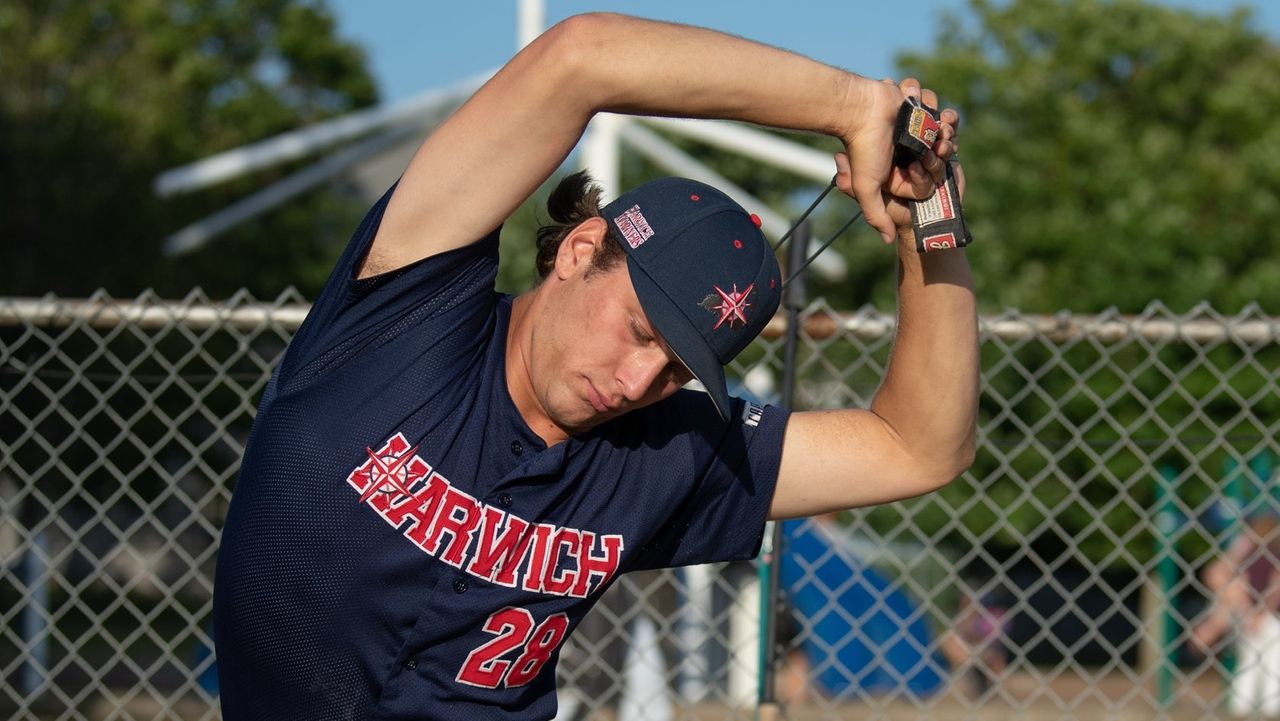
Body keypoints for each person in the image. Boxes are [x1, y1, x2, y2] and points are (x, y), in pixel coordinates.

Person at [211, 12, 976, 720]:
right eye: (640, 330)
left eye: (678, 370)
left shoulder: (664, 449)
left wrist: (929, 220)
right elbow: (580, 60)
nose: (638, 383)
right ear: (581, 250)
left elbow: (917, 446)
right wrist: (849, 103)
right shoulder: (410, 310)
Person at [1191, 509, 1280, 717]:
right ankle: (1269, 706)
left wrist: (1249, 611)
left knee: (1250, 660)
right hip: (1266, 616)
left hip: (1251, 614)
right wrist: (1260, 611)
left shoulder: (1249, 554)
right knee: (1271, 660)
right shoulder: (1267, 553)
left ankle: (1244, 705)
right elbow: (1275, 586)